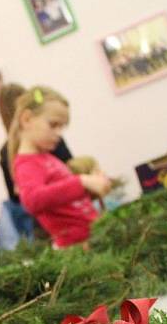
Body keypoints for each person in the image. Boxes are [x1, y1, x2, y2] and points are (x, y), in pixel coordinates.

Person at [7, 86, 112, 248]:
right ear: (27, 119)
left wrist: (93, 185)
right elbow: (32, 200)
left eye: (62, 127)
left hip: (93, 238)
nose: (59, 133)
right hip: (77, 249)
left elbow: (64, 199)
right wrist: (82, 181)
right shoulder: (26, 164)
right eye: (53, 125)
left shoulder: (48, 158)